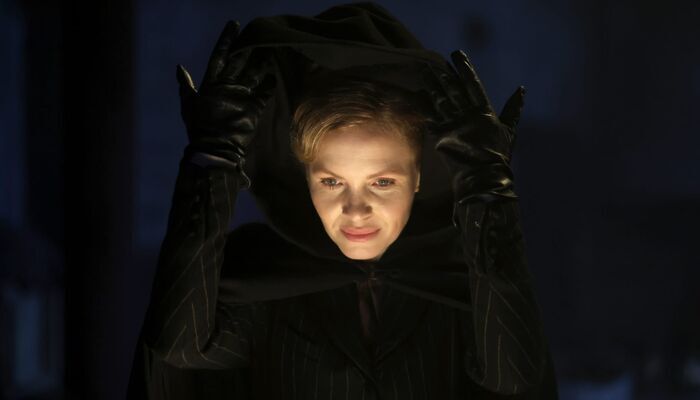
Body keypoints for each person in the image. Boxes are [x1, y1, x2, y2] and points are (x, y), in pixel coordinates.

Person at [127, 3, 558, 399]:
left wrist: (488, 187)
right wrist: (212, 162)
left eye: (382, 182)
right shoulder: (260, 275)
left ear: (418, 177)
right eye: (332, 181)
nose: (355, 209)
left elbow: (516, 378)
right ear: (306, 179)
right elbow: (177, 348)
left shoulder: (465, 279)